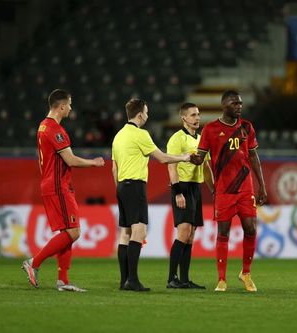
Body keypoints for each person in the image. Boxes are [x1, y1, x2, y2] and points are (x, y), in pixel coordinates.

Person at [22, 89, 105, 292]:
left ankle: (63, 281)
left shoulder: (42, 126)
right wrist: (93, 163)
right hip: (58, 185)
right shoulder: (54, 130)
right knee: (73, 232)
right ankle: (34, 262)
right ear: (61, 106)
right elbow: (70, 160)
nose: (70, 108)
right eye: (69, 104)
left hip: (55, 184)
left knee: (67, 232)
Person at [190, 90, 267, 292]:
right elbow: (201, 157)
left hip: (245, 187)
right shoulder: (211, 129)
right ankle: (222, 279)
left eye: (240, 103)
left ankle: (246, 273)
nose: (239, 107)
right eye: (235, 104)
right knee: (223, 232)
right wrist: (194, 159)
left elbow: (253, 157)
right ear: (224, 105)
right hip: (224, 190)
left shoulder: (246, 127)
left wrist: (262, 186)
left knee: (251, 228)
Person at [112, 98, 191, 292]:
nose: (147, 115)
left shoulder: (119, 136)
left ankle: (124, 281)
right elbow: (163, 158)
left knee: (126, 233)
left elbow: (114, 168)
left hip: (122, 185)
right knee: (139, 232)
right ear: (140, 115)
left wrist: (120, 189)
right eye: (146, 112)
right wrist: (184, 157)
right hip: (135, 186)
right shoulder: (141, 134)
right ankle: (133, 280)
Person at [166, 102, 214, 289]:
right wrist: (177, 192)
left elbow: (207, 168)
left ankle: (184, 279)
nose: (197, 118)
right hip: (182, 188)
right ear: (183, 118)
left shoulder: (202, 139)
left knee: (191, 235)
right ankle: (172, 278)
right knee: (183, 233)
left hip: (195, 188)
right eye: (193, 115)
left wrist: (213, 190)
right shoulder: (177, 139)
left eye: (198, 114)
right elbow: (171, 166)